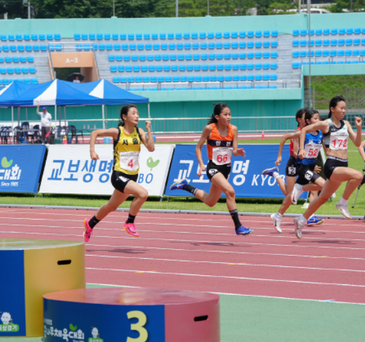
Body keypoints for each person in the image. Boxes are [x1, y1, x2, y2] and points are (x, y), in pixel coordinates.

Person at [170, 103, 253, 236]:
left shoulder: (234, 129)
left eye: (230, 114)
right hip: (213, 168)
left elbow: (234, 150)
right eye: (225, 114)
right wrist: (201, 164)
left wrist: (238, 152)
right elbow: (198, 147)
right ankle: (238, 226)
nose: (229, 117)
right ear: (217, 116)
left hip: (226, 169)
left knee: (210, 202)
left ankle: (185, 186)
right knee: (230, 192)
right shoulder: (209, 129)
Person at [293, 96, 363, 239]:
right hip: (332, 165)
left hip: (343, 163)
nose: (344, 110)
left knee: (323, 198)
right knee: (358, 176)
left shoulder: (347, 124)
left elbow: (357, 143)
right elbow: (304, 129)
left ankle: (301, 219)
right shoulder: (326, 124)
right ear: (332, 109)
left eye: (345, 108)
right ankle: (342, 203)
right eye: (341, 108)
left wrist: (359, 128)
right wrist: (301, 149)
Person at [83, 104, 154, 242]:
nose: (137, 116)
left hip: (132, 175)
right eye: (133, 113)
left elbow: (151, 148)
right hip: (119, 175)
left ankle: (90, 223)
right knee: (143, 194)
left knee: (112, 206)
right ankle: (129, 222)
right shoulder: (117, 132)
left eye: (138, 113)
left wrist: (149, 130)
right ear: (124, 116)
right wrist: (92, 150)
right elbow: (94, 133)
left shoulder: (139, 132)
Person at [263, 108, 324, 229]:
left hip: (309, 166)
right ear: (306, 121)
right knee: (291, 193)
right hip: (298, 164)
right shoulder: (301, 132)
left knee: (294, 194)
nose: (318, 120)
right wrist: (280, 156)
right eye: (315, 118)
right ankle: (276, 175)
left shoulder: (321, 133)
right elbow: (287, 140)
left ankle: (278, 215)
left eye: (319, 118)